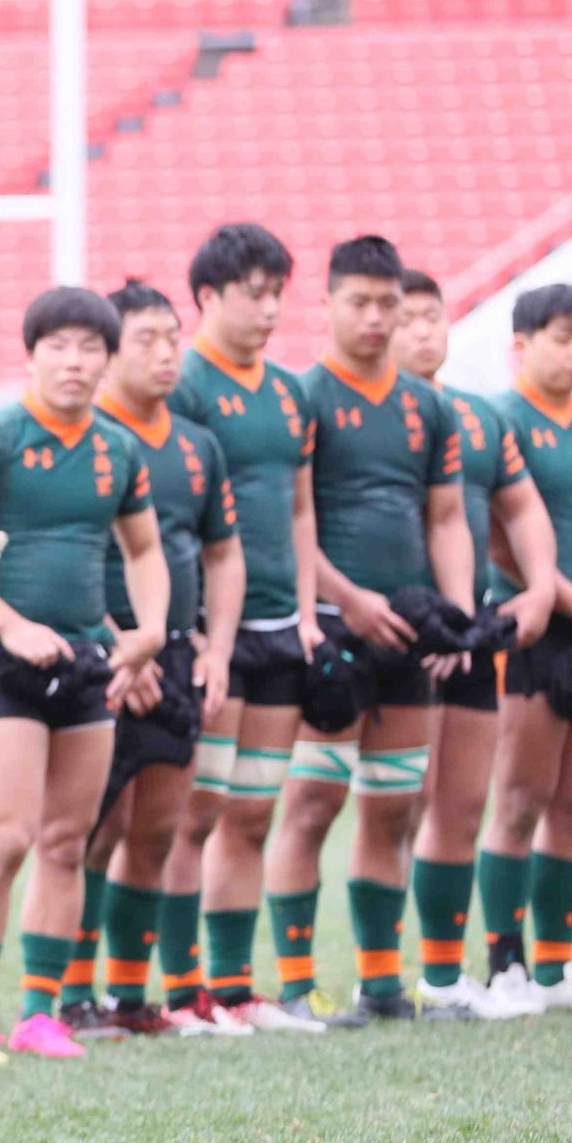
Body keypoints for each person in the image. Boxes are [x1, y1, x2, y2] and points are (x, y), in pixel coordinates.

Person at [264, 236, 480, 1027]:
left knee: (395, 808)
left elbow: (448, 518)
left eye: (389, 303)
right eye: (359, 301)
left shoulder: (429, 406)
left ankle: (382, 983)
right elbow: (292, 520)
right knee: (313, 804)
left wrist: (456, 618)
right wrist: (347, 599)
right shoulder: (304, 398)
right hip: (331, 630)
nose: (377, 318)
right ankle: (293, 984)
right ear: (327, 305)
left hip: (410, 633)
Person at [0, 287, 167, 1060]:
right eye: (59, 347)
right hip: (2, 666)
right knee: (7, 836)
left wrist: (150, 632)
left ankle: (41, 1013)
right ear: (31, 351)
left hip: (86, 666)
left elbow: (143, 550)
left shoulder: (118, 449)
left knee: (68, 841)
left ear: (107, 360)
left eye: (89, 349)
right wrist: (8, 624)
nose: (74, 363)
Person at [69, 282, 243, 1040]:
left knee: (156, 831)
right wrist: (125, 646)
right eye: (146, 339)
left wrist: (216, 648)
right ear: (108, 353)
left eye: (173, 337)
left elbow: (223, 555)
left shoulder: (199, 445)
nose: (166, 353)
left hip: (176, 659)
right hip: (100, 661)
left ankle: (130, 996)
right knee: (89, 833)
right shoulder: (88, 438)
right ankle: (67, 994)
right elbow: (67, 558)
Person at [463, 284, 572, 1013]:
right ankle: (505, 964)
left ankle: (556, 967)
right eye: (563, 336)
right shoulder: (498, 423)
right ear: (522, 344)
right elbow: (504, 540)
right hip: (533, 629)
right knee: (519, 797)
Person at [390, 268, 558, 1018]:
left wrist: (544, 584)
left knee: (460, 805)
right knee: (395, 806)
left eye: (435, 317)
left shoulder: (481, 418)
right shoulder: (354, 415)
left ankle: (444, 975)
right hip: (391, 634)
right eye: (409, 319)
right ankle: (367, 975)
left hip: (469, 633)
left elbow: (519, 508)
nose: (425, 332)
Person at [165, 224, 320, 1032]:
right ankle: (177, 987)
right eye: (252, 293)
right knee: (195, 812)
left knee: (255, 811)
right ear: (208, 298)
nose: (267, 309)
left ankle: (233, 988)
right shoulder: (185, 385)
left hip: (277, 630)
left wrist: (303, 611)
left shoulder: (290, 392)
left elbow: (299, 508)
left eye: (275, 294)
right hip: (208, 633)